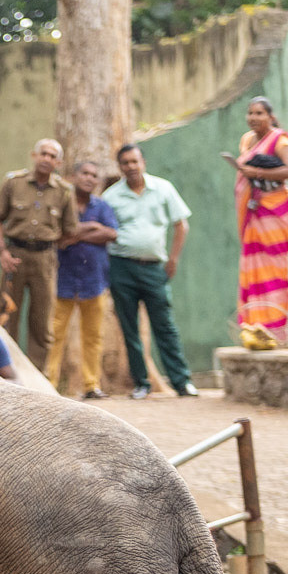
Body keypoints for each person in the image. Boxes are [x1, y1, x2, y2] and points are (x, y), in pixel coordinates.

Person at [224, 97, 288, 347]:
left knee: (275, 272)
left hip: (275, 214)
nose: (253, 118)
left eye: (259, 113)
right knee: (253, 269)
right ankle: (257, 329)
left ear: (271, 116)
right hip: (254, 214)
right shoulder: (247, 140)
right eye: (250, 113)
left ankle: (277, 333)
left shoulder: (281, 141)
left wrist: (257, 172)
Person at [106, 143, 197, 399]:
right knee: (129, 327)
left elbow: (181, 225)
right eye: (125, 163)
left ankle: (182, 381)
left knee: (164, 325)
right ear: (120, 167)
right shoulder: (111, 197)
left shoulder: (163, 188)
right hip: (121, 266)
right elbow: (104, 232)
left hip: (155, 267)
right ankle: (141, 383)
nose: (131, 167)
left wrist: (173, 259)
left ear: (143, 162)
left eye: (134, 161)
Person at [0, 139, 76, 372]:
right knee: (6, 315)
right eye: (43, 153)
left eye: (52, 156)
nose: (47, 159)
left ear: (58, 162)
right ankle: (4, 370)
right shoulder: (13, 182)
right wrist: (2, 251)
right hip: (14, 256)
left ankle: (38, 374)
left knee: (42, 321)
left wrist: (49, 247)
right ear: (34, 155)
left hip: (44, 259)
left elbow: (70, 230)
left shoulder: (64, 191)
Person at [48, 159, 119, 400]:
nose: (89, 178)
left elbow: (111, 233)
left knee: (93, 337)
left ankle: (91, 385)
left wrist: (77, 234)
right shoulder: (62, 204)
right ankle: (49, 384)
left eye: (94, 175)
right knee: (55, 335)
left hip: (94, 282)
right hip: (64, 281)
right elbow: (58, 237)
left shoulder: (102, 206)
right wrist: (92, 228)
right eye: (85, 173)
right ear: (74, 177)